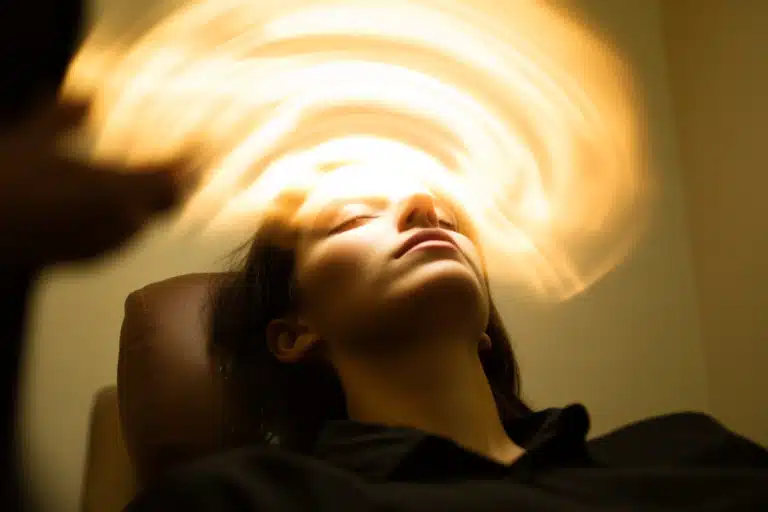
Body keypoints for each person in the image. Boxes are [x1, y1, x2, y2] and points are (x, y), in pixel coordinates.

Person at [0, 2, 766, 511]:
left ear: (488, 326)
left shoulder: (697, 456)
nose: (423, 207)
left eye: (436, 204)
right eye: (351, 217)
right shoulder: (245, 500)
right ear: (296, 333)